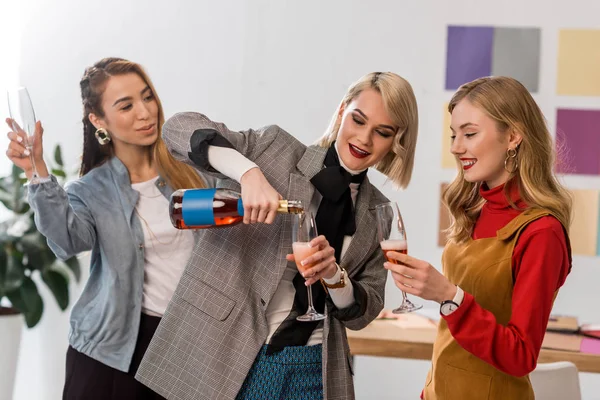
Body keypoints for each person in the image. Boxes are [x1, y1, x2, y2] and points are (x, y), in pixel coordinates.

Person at [134, 71, 419, 399]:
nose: (365, 139)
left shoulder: (375, 212)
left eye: (382, 132)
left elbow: (363, 313)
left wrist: (334, 275)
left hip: (316, 366)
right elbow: (177, 128)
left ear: (396, 141)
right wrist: (248, 173)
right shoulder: (274, 149)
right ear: (342, 112)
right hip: (233, 356)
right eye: (358, 120)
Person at [5, 57, 210, 399]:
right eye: (126, 105)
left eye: (147, 97)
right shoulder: (90, 190)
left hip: (183, 345)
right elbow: (68, 241)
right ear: (98, 120)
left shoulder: (193, 173)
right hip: (110, 354)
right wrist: (35, 169)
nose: (146, 112)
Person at [384, 76, 572, 399]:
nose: (457, 147)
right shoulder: (474, 209)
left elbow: (520, 355)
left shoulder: (542, 232)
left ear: (513, 136)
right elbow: (454, 338)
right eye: (454, 134)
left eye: (470, 134)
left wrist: (448, 295)